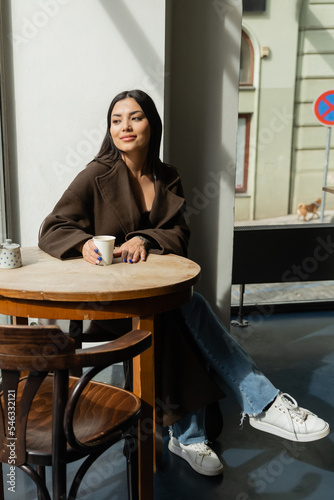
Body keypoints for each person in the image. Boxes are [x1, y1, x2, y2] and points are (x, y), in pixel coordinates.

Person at [39, 89, 330, 477]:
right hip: (111, 306)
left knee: (175, 310)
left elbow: (179, 234)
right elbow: (53, 227)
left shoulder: (167, 176)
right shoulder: (96, 174)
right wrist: (86, 242)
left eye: (135, 117)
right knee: (185, 308)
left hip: (155, 298)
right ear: (109, 129)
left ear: (151, 124)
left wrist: (146, 239)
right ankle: (253, 408)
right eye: (116, 119)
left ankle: (195, 433)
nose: (125, 127)